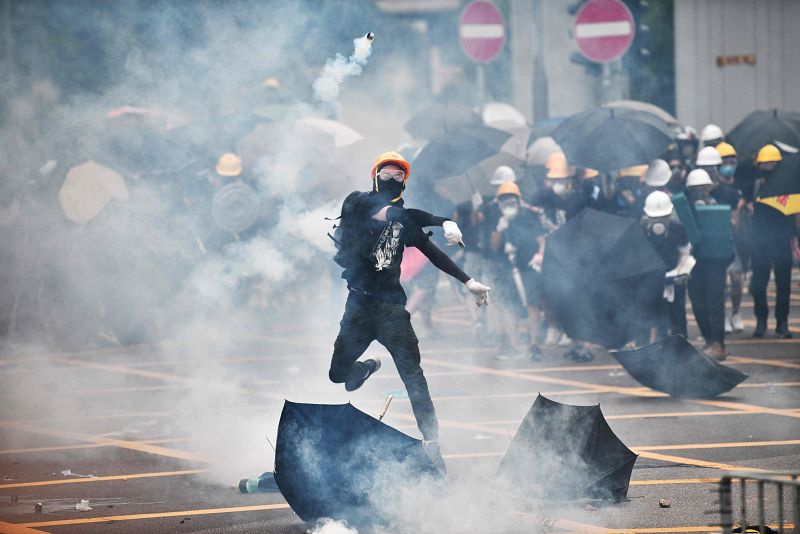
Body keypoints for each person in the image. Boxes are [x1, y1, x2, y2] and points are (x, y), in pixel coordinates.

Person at [328, 151, 491, 472]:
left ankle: (432, 445)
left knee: (414, 378)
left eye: (398, 176)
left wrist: (468, 281)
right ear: (375, 176)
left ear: (405, 181)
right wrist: (443, 220)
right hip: (358, 307)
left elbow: (433, 254)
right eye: (386, 174)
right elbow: (395, 215)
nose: (391, 180)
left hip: (391, 309)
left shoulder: (405, 221)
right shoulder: (358, 202)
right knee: (338, 375)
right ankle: (362, 369)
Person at [489, 181, 547, 360]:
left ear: (518, 200)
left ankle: (534, 344)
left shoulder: (528, 215)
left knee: (532, 305)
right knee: (510, 307)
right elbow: (493, 246)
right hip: (506, 269)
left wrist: (540, 255)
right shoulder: (497, 218)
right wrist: (500, 229)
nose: (508, 204)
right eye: (504, 200)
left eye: (511, 200)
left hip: (528, 266)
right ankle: (514, 345)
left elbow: (542, 239)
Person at [684, 169, 733, 359]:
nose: (699, 192)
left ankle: (718, 343)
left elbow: (725, 236)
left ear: (708, 189)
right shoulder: (687, 209)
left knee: (714, 302)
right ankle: (709, 341)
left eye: (702, 188)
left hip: (714, 263)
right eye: (694, 189)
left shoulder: (716, 209)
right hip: (696, 262)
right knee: (698, 302)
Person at [749, 144, 795, 338]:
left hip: (782, 240)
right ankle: (761, 320)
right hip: (760, 241)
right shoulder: (756, 186)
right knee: (759, 284)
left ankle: (782, 322)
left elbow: (794, 214)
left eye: (772, 164)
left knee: (783, 284)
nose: (768, 168)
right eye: (765, 164)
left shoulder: (789, 187)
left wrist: (794, 239)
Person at [641, 191, 692, 341]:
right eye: (655, 217)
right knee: (650, 315)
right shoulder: (640, 230)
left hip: (673, 277)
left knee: (677, 315)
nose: (659, 220)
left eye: (663, 217)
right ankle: (652, 350)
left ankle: (681, 350)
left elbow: (685, 253)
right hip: (650, 278)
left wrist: (678, 271)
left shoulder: (678, 228)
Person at [712, 142, 747, 333]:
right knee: (721, 281)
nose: (730, 165)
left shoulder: (740, 185)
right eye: (726, 161)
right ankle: (724, 316)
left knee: (736, 280)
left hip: (736, 240)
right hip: (718, 239)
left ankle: (736, 313)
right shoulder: (713, 188)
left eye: (733, 161)